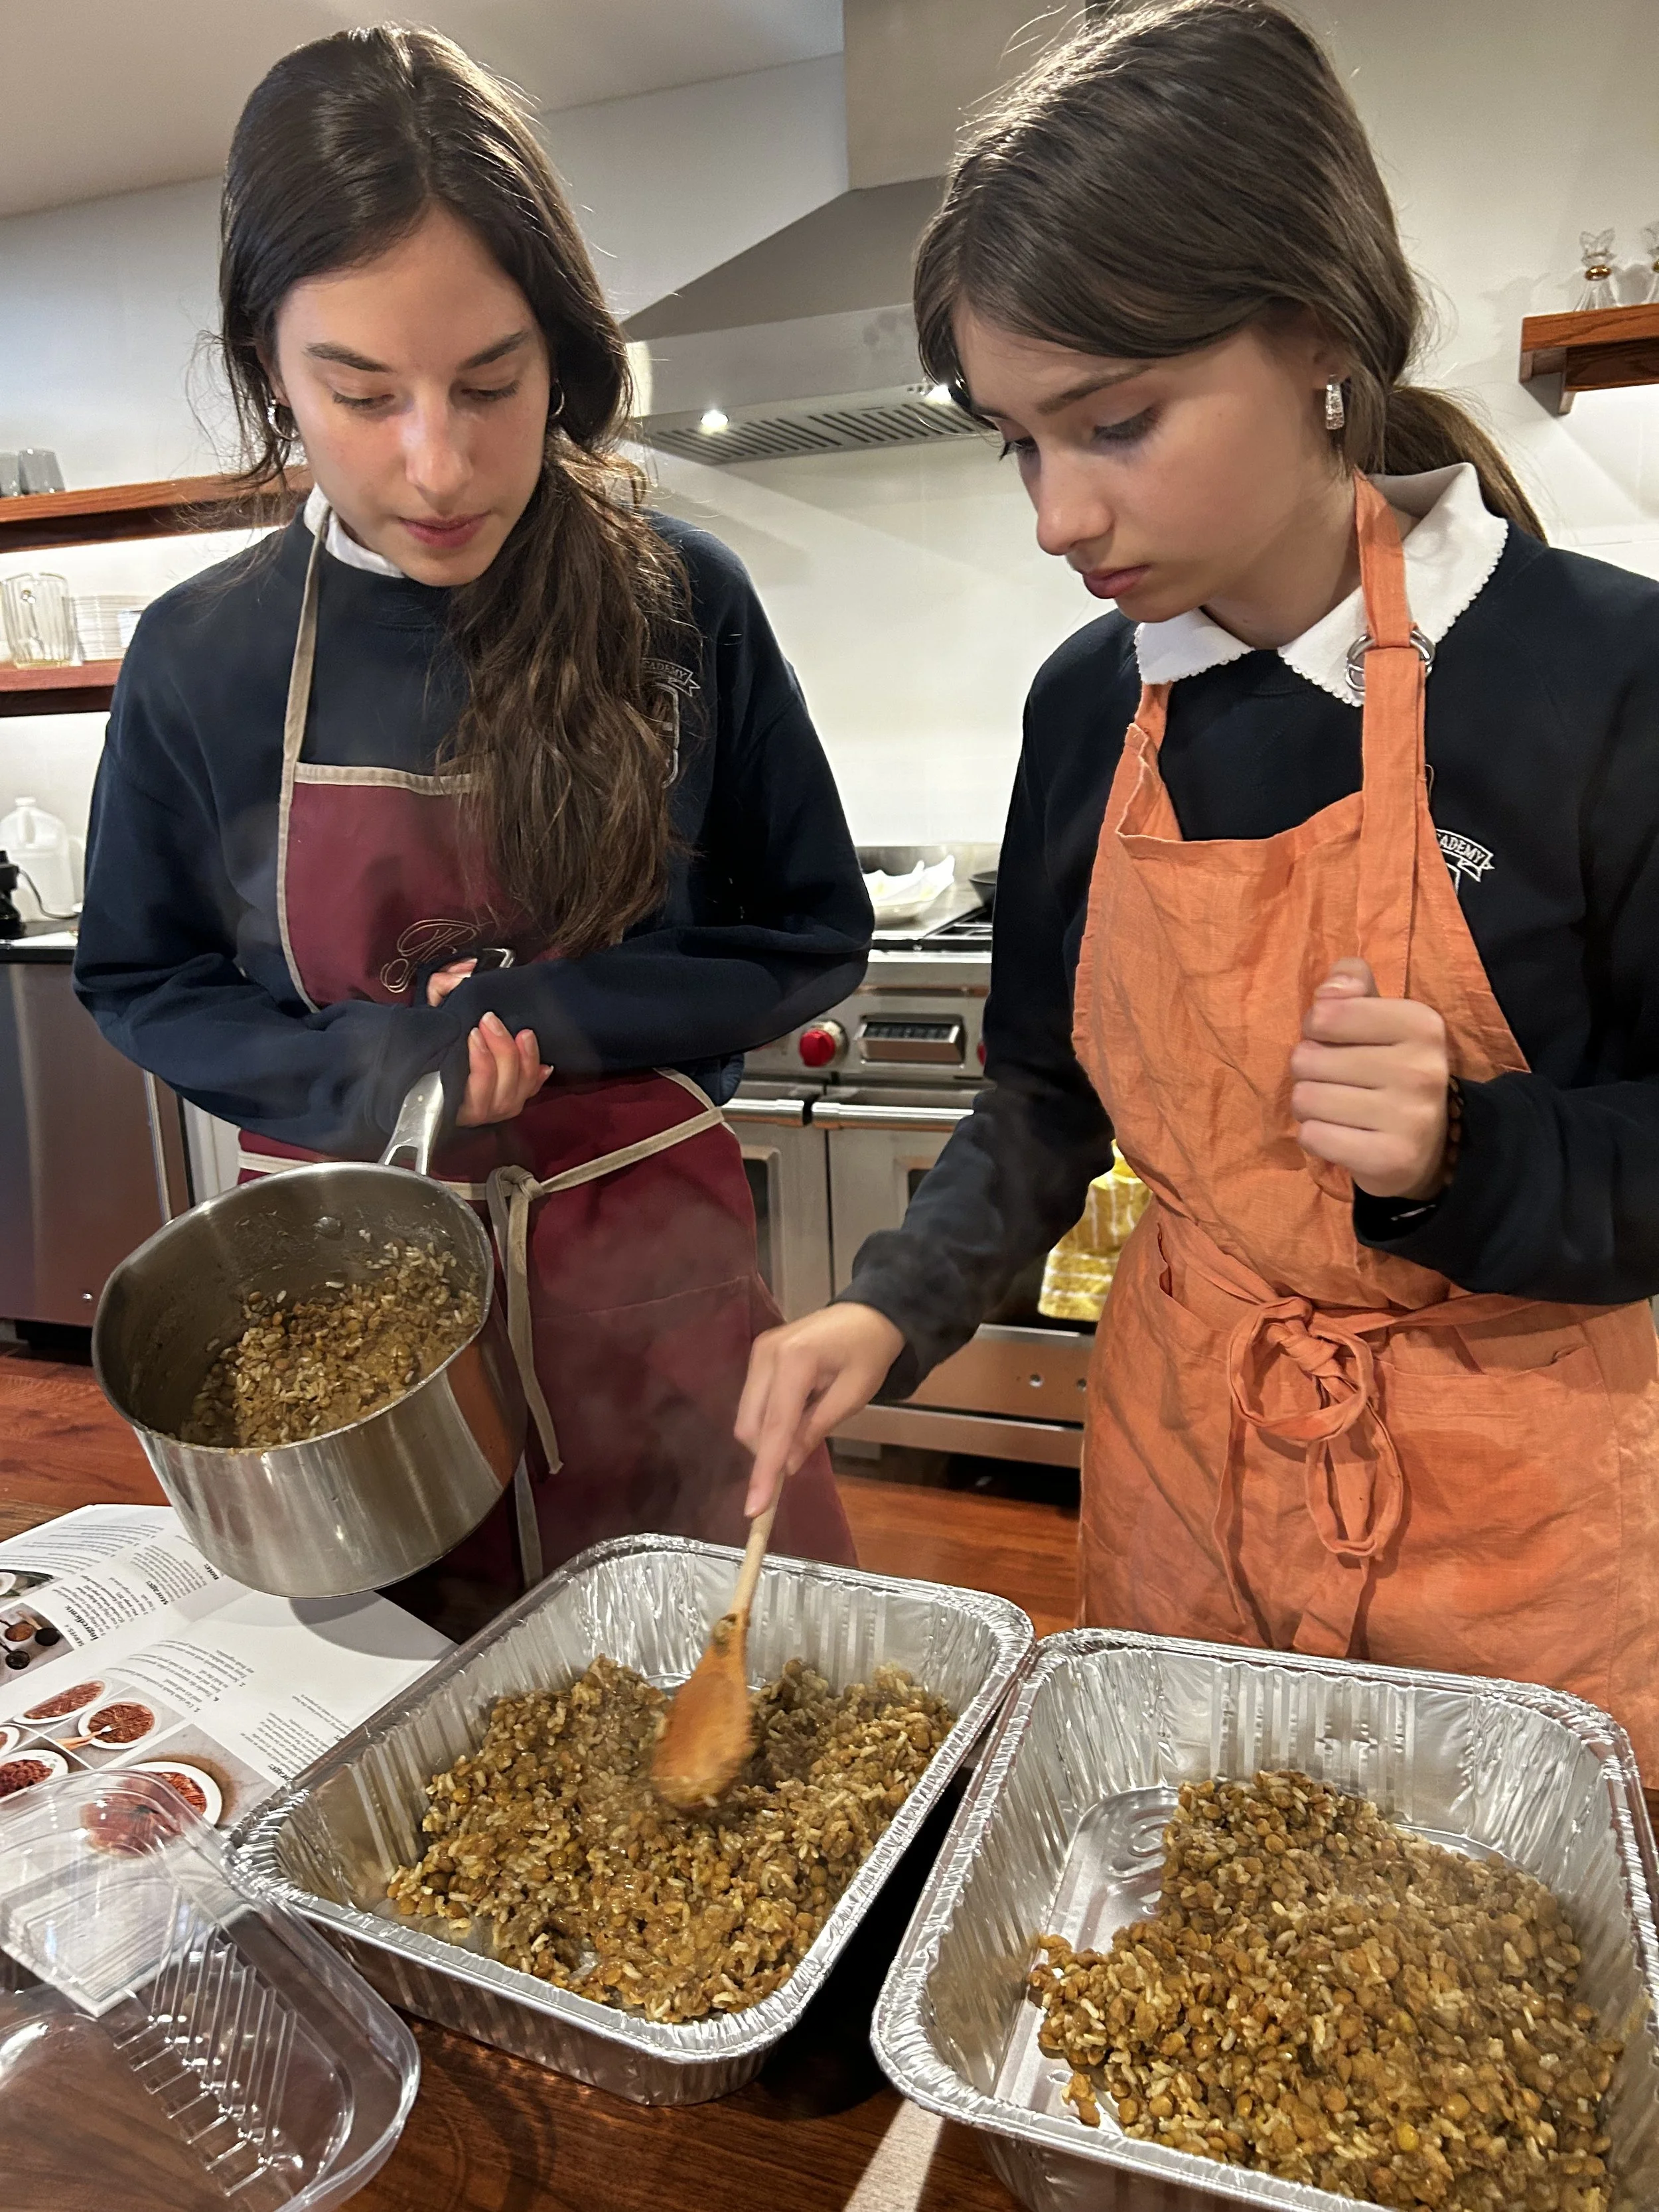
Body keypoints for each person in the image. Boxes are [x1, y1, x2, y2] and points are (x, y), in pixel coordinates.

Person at [737, 0, 1659, 1769]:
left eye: (1113, 422)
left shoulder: (1598, 682)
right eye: (1018, 440)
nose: (1052, 517)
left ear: (1316, 333)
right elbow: (1036, 1094)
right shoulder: (1088, 709)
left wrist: (1471, 1157)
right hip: (1186, 1479)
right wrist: (892, 1297)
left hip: (1508, 1526)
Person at [76, 27, 868, 1628]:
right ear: (266, 369)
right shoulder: (205, 656)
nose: (434, 464)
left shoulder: (677, 603)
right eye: (359, 395)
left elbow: (810, 933)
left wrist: (555, 1012)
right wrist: (357, 1069)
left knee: (745, 1703)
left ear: (562, 358)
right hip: (346, 1320)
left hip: (653, 1289)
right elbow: (139, 976)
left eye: (491, 385)